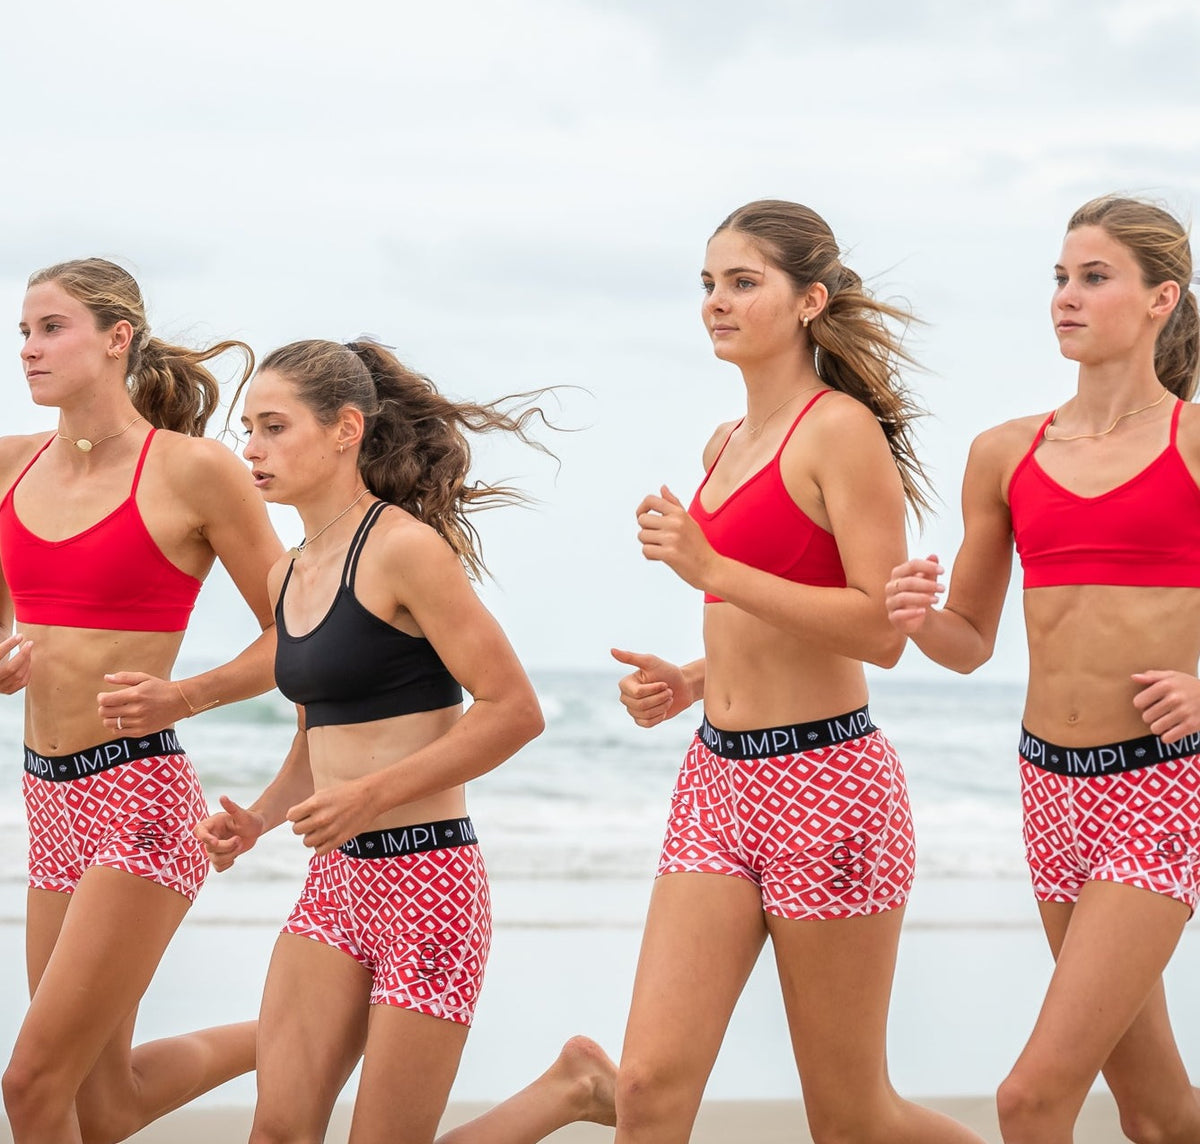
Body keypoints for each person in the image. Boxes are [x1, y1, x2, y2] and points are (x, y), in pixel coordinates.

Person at [603, 200, 985, 1144]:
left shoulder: (840, 432)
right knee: (647, 1088)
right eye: (708, 284)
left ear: (809, 299)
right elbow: (763, 620)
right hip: (716, 779)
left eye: (743, 283)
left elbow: (879, 631)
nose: (717, 303)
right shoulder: (721, 446)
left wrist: (710, 569)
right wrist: (693, 679)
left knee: (851, 1118)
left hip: (827, 783)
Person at [886, 195, 1200, 1144]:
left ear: (1161, 300)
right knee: (1155, 1110)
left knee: (1030, 1099)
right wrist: (915, 617)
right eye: (1060, 277)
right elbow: (969, 640)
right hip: (1049, 789)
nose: (1066, 296)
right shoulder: (1005, 453)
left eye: (1094, 277)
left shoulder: (1192, 441)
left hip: (1158, 789)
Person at [195, 337, 549, 1144]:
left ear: (345, 429)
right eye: (247, 427)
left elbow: (513, 710)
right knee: (278, 1133)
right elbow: (315, 743)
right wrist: (257, 819)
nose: (251, 448)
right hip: (335, 886)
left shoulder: (405, 550)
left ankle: (565, 1090)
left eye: (275, 427)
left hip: (429, 881)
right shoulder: (287, 574)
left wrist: (367, 796)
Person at [0, 259, 283, 1144]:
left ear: (117, 338)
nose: (30, 350)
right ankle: (304, 1032)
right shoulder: (10, 463)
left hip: (138, 801)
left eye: (53, 329)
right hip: (48, 799)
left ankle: (313, 1030)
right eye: (23, 332)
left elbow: (303, 637)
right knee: (102, 1099)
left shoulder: (195, 472)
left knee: (31, 1085)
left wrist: (186, 695)